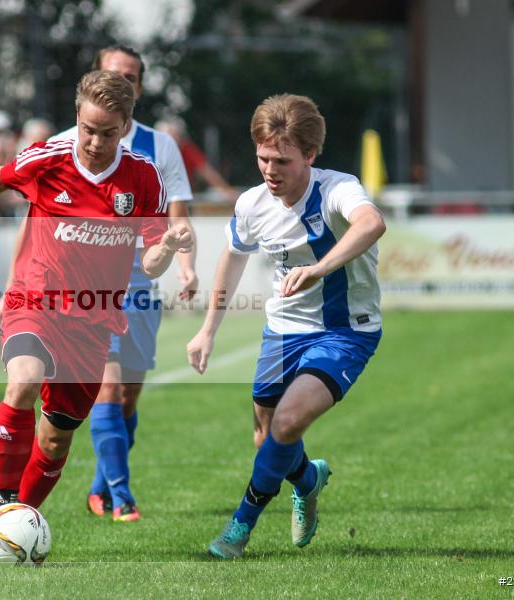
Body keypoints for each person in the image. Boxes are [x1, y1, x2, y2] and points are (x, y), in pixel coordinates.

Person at [0, 70, 192, 554]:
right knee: (24, 381)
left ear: (126, 126)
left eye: (108, 132)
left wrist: (171, 246)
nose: (96, 141)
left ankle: (11, 523)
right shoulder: (49, 157)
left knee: (55, 440)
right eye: (88, 129)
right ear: (77, 118)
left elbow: (151, 257)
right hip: (35, 301)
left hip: (94, 321)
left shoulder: (143, 177)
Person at [186, 94, 386, 559]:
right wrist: (208, 329)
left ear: (310, 156)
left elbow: (371, 224)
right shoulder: (253, 203)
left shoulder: (338, 189)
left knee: (289, 420)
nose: (270, 170)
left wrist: (319, 269)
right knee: (268, 434)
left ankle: (239, 527)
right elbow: (233, 259)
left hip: (345, 331)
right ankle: (308, 478)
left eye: (282, 160)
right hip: (281, 332)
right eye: (262, 158)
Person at [30, 44, 199, 522]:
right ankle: (122, 496)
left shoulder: (159, 147)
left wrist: (185, 264)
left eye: (129, 76)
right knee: (104, 387)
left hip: (142, 281)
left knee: (127, 394)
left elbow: (176, 217)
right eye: (111, 73)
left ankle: (101, 486)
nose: (120, 80)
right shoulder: (69, 141)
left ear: (138, 90)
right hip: (84, 291)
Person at [156, 116, 237, 203]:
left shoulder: (186, 148)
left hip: (179, 197)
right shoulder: (152, 152)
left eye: (175, 136)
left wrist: (227, 191)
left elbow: (206, 172)